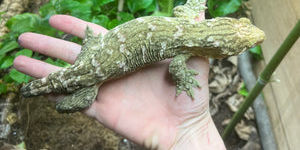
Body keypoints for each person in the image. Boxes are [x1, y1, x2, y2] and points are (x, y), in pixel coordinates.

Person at [13, 14, 226, 150]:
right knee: (81, 97)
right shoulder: (187, 42)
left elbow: (183, 17)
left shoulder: (187, 24)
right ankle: (41, 93)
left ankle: (36, 91)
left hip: (93, 59)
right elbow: (176, 68)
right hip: (92, 74)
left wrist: (190, 131)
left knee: (75, 91)